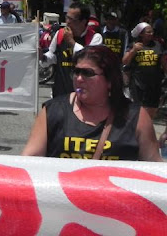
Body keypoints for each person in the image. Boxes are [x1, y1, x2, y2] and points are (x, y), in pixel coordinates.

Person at [22, 46, 162, 161]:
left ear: (110, 80)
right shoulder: (53, 111)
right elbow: (29, 161)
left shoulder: (136, 117)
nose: (79, 79)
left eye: (87, 73)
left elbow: (154, 168)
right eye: (76, 72)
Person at [40, 2, 103, 98]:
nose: (67, 22)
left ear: (83, 21)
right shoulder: (60, 34)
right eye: (67, 17)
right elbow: (53, 56)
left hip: (83, 96)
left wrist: (71, 42)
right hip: (60, 93)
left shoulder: (95, 38)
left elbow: (88, 60)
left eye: (71, 19)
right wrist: (42, 57)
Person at [122, 22, 167, 119]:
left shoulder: (158, 45)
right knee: (139, 109)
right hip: (138, 83)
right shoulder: (134, 45)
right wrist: (133, 51)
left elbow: (164, 63)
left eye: (152, 32)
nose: (151, 34)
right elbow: (125, 61)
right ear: (141, 34)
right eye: (148, 32)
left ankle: (148, 125)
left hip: (154, 83)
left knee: (152, 108)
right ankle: (139, 126)